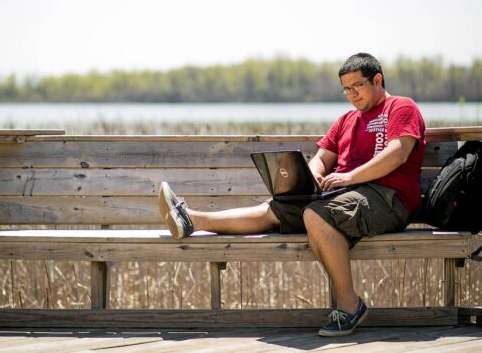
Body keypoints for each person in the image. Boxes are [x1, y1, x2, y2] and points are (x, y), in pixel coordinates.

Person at [158, 52, 426, 337]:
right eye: (345, 89)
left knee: (316, 214)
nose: (351, 95)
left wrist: (348, 177)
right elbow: (323, 158)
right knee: (275, 209)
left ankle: (350, 306)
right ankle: (192, 219)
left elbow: (398, 154)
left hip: (387, 198)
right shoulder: (346, 120)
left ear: (378, 79)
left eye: (357, 86)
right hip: (343, 196)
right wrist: (311, 177)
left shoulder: (400, 108)